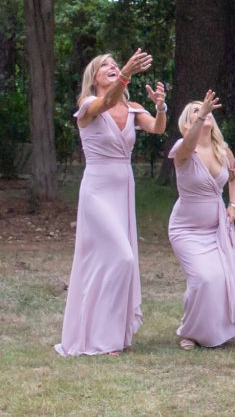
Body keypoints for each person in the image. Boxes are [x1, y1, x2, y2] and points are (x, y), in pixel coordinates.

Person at [55, 50, 167, 356]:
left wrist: (160, 107)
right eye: (107, 65)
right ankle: (99, 336)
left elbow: (158, 128)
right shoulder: (88, 105)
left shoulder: (132, 108)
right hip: (97, 191)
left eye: (116, 65)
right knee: (122, 257)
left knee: (113, 261)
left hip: (123, 190)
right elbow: (105, 103)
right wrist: (128, 72)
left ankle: (111, 333)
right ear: (93, 77)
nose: (113, 68)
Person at [168, 90, 235, 349]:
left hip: (216, 228)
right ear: (187, 124)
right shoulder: (183, 150)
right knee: (203, 278)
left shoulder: (222, 150)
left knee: (221, 279)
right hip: (186, 229)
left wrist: (232, 205)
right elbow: (189, 145)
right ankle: (189, 331)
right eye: (196, 112)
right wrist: (201, 115)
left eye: (207, 110)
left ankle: (211, 329)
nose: (204, 112)